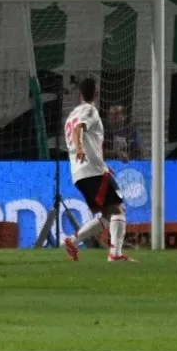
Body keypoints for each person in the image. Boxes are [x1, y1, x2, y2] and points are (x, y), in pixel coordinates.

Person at [62, 78, 135, 263]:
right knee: (118, 209)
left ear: (80, 95)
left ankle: (72, 241)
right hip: (92, 170)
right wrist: (80, 148)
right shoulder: (90, 110)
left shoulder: (71, 116)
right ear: (96, 94)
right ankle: (116, 254)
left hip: (79, 173)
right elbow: (80, 129)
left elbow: (84, 136)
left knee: (107, 214)